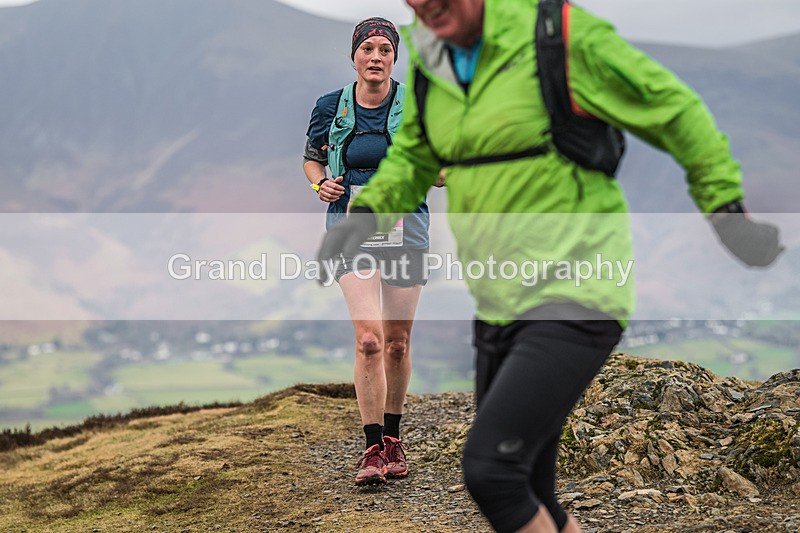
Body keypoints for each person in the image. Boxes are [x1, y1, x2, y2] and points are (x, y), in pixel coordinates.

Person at [317, 0, 783, 530]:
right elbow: (414, 160)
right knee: (534, 487)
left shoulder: (556, 35)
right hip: (498, 296)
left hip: (577, 287)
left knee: (492, 473)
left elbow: (672, 108)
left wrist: (725, 211)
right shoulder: (431, 62)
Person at [303, 17, 431, 486]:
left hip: (406, 232)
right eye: (368, 49)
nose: (376, 57)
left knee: (397, 343)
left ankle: (395, 439)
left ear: (395, 58)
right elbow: (312, 157)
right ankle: (372, 447)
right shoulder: (328, 107)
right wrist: (321, 183)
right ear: (354, 55)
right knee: (370, 339)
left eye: (385, 50)